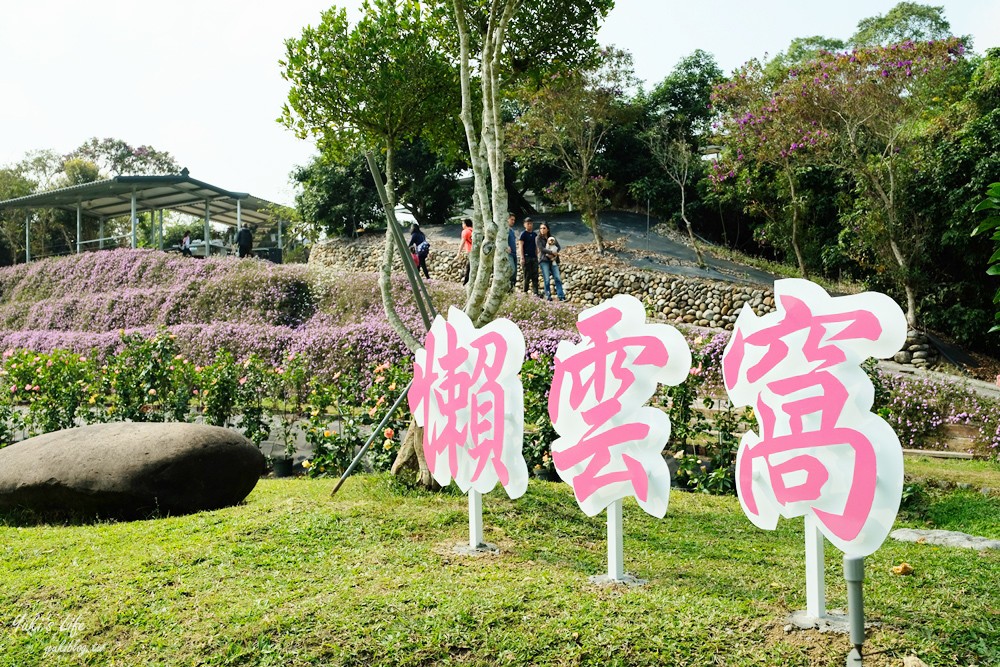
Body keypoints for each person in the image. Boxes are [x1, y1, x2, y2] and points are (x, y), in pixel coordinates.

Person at [537, 222, 566, 301]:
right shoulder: (538, 238)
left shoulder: (552, 238)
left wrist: (555, 253)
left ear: (548, 229)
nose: (542, 230)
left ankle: (561, 296)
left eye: (544, 228)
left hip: (554, 260)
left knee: (557, 278)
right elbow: (542, 249)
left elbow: (558, 247)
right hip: (544, 260)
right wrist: (551, 252)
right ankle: (548, 296)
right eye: (541, 228)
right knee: (546, 279)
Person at [518, 217, 540, 297]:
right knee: (527, 275)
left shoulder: (534, 234)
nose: (529, 225)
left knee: (535, 275)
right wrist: (522, 257)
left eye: (531, 223)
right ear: (524, 225)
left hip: (534, 257)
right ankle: (525, 291)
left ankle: (535, 292)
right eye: (528, 223)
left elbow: (536, 246)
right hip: (526, 257)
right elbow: (520, 246)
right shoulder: (523, 234)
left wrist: (537, 254)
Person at [459, 218, 473, 284]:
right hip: (478, 251)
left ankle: (466, 282)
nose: (462, 225)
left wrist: (458, 253)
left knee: (469, 267)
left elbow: (462, 242)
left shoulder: (465, 231)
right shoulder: (474, 231)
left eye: (462, 223)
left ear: (465, 224)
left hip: (470, 251)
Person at [506, 213, 518, 289]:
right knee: (511, 271)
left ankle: (511, 290)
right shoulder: (505, 230)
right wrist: (506, 246)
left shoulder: (512, 231)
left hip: (514, 254)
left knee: (515, 273)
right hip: (508, 254)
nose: (513, 221)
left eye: (514, 220)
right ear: (507, 219)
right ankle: (507, 288)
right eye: (511, 219)